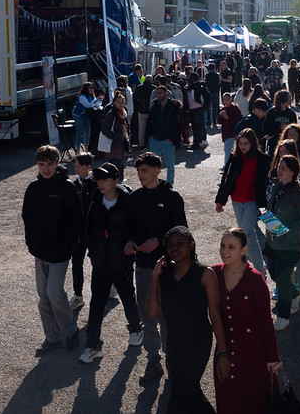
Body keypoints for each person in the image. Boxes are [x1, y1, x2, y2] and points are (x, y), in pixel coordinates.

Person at [144, 226, 228, 413]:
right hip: (174, 343)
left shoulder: (205, 274)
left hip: (198, 342)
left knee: (179, 396)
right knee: (191, 393)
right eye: (171, 245)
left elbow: (215, 315)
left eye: (180, 243)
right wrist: (155, 275)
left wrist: (223, 354)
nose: (175, 248)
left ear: (191, 245)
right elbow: (151, 312)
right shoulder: (164, 276)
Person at [124, 152, 187, 382]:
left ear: (157, 171)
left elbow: (182, 233)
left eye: (144, 171)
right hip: (142, 267)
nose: (140, 175)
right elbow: (127, 227)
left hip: (167, 267)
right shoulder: (134, 198)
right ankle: (153, 360)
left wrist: (159, 242)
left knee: (167, 316)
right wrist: (130, 241)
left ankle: (171, 360)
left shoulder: (172, 198)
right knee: (147, 314)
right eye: (138, 171)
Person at [79, 163, 143, 363]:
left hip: (122, 263)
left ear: (116, 180)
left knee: (127, 297)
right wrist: (92, 254)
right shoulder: (95, 201)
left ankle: (135, 329)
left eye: (105, 180)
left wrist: (131, 245)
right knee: (96, 304)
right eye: (98, 180)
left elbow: (135, 228)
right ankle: (92, 345)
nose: (100, 184)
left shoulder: (128, 202)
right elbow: (88, 229)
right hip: (100, 263)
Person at [212, 228, 281, 413]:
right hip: (224, 353)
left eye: (231, 247)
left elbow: (266, 321)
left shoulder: (255, 280)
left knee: (255, 403)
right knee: (229, 402)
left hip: (253, 355)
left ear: (244, 249)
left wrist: (273, 357)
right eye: (223, 246)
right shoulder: (214, 274)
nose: (225, 251)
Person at [22, 146, 82, 353]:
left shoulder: (67, 188)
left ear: (58, 163)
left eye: (49, 164)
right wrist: (31, 243)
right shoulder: (33, 188)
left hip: (59, 252)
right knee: (43, 296)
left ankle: (70, 330)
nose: (45, 169)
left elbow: (75, 220)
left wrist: (66, 244)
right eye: (41, 165)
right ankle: (52, 336)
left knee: (55, 292)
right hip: (40, 252)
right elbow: (27, 217)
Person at [264, 155, 300, 331]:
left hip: (290, 244)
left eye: (284, 167)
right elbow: (271, 208)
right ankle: (295, 293)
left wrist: (285, 231)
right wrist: (268, 219)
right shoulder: (276, 185)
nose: (279, 169)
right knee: (275, 275)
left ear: (292, 172)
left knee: (282, 280)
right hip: (272, 241)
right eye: (279, 166)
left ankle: (283, 317)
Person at [215, 128, 270, 273]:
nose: (243, 146)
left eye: (246, 143)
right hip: (236, 200)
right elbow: (225, 178)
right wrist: (220, 200)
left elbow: (267, 181)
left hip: (252, 201)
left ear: (253, 143)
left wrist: (266, 202)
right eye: (240, 143)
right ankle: (259, 267)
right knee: (249, 234)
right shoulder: (234, 157)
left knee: (244, 234)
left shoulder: (262, 158)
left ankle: (257, 269)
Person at [69, 152, 97, 310]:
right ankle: (78, 295)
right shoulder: (73, 185)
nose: (76, 169)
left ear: (89, 167)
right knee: (76, 264)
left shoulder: (96, 184)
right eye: (75, 166)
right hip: (78, 234)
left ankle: (104, 289)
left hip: (93, 233)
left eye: (79, 166)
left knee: (97, 263)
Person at [145, 86, 182, 185]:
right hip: (155, 139)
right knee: (152, 165)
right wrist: (149, 136)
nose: (159, 95)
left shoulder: (173, 105)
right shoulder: (155, 105)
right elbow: (150, 121)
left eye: (161, 93)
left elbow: (177, 124)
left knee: (170, 164)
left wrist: (172, 139)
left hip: (167, 140)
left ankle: (169, 184)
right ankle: (152, 183)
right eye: (158, 93)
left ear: (166, 93)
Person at [101, 92, 129, 180]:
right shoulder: (111, 114)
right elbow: (104, 129)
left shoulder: (123, 114)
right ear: (114, 103)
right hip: (112, 145)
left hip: (120, 145)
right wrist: (115, 137)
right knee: (112, 167)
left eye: (122, 102)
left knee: (118, 165)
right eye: (118, 102)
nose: (120, 104)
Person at [71, 83, 104, 152]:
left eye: (93, 88)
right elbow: (88, 105)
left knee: (87, 133)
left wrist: (99, 100)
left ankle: (86, 150)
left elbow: (95, 105)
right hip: (79, 115)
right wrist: (96, 100)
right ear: (86, 88)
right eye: (90, 88)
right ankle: (77, 150)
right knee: (79, 133)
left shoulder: (92, 96)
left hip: (87, 116)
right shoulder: (82, 97)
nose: (92, 89)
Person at [217, 93, 243, 167]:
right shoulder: (223, 109)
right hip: (226, 132)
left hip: (232, 131)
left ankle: (227, 165)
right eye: (224, 100)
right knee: (227, 149)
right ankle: (229, 164)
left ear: (231, 99)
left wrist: (228, 118)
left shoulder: (235, 108)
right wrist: (220, 115)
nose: (225, 101)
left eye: (227, 99)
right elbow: (219, 121)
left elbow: (238, 120)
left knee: (230, 149)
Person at [186, 72, 210, 150]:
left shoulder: (193, 87)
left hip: (195, 108)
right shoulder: (201, 85)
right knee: (200, 125)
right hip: (200, 107)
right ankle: (201, 140)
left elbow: (194, 97)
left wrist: (199, 102)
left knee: (195, 127)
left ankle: (196, 143)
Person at [133, 75, 155, 148]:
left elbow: (135, 99)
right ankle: (151, 144)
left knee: (141, 128)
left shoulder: (139, 88)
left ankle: (141, 144)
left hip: (141, 110)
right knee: (152, 128)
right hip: (151, 111)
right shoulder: (154, 88)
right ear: (151, 80)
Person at [205, 63, 221, 128]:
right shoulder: (217, 75)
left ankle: (209, 120)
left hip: (209, 92)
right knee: (215, 107)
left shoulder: (207, 75)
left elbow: (206, 83)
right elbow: (219, 82)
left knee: (209, 107)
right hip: (215, 91)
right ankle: (214, 120)